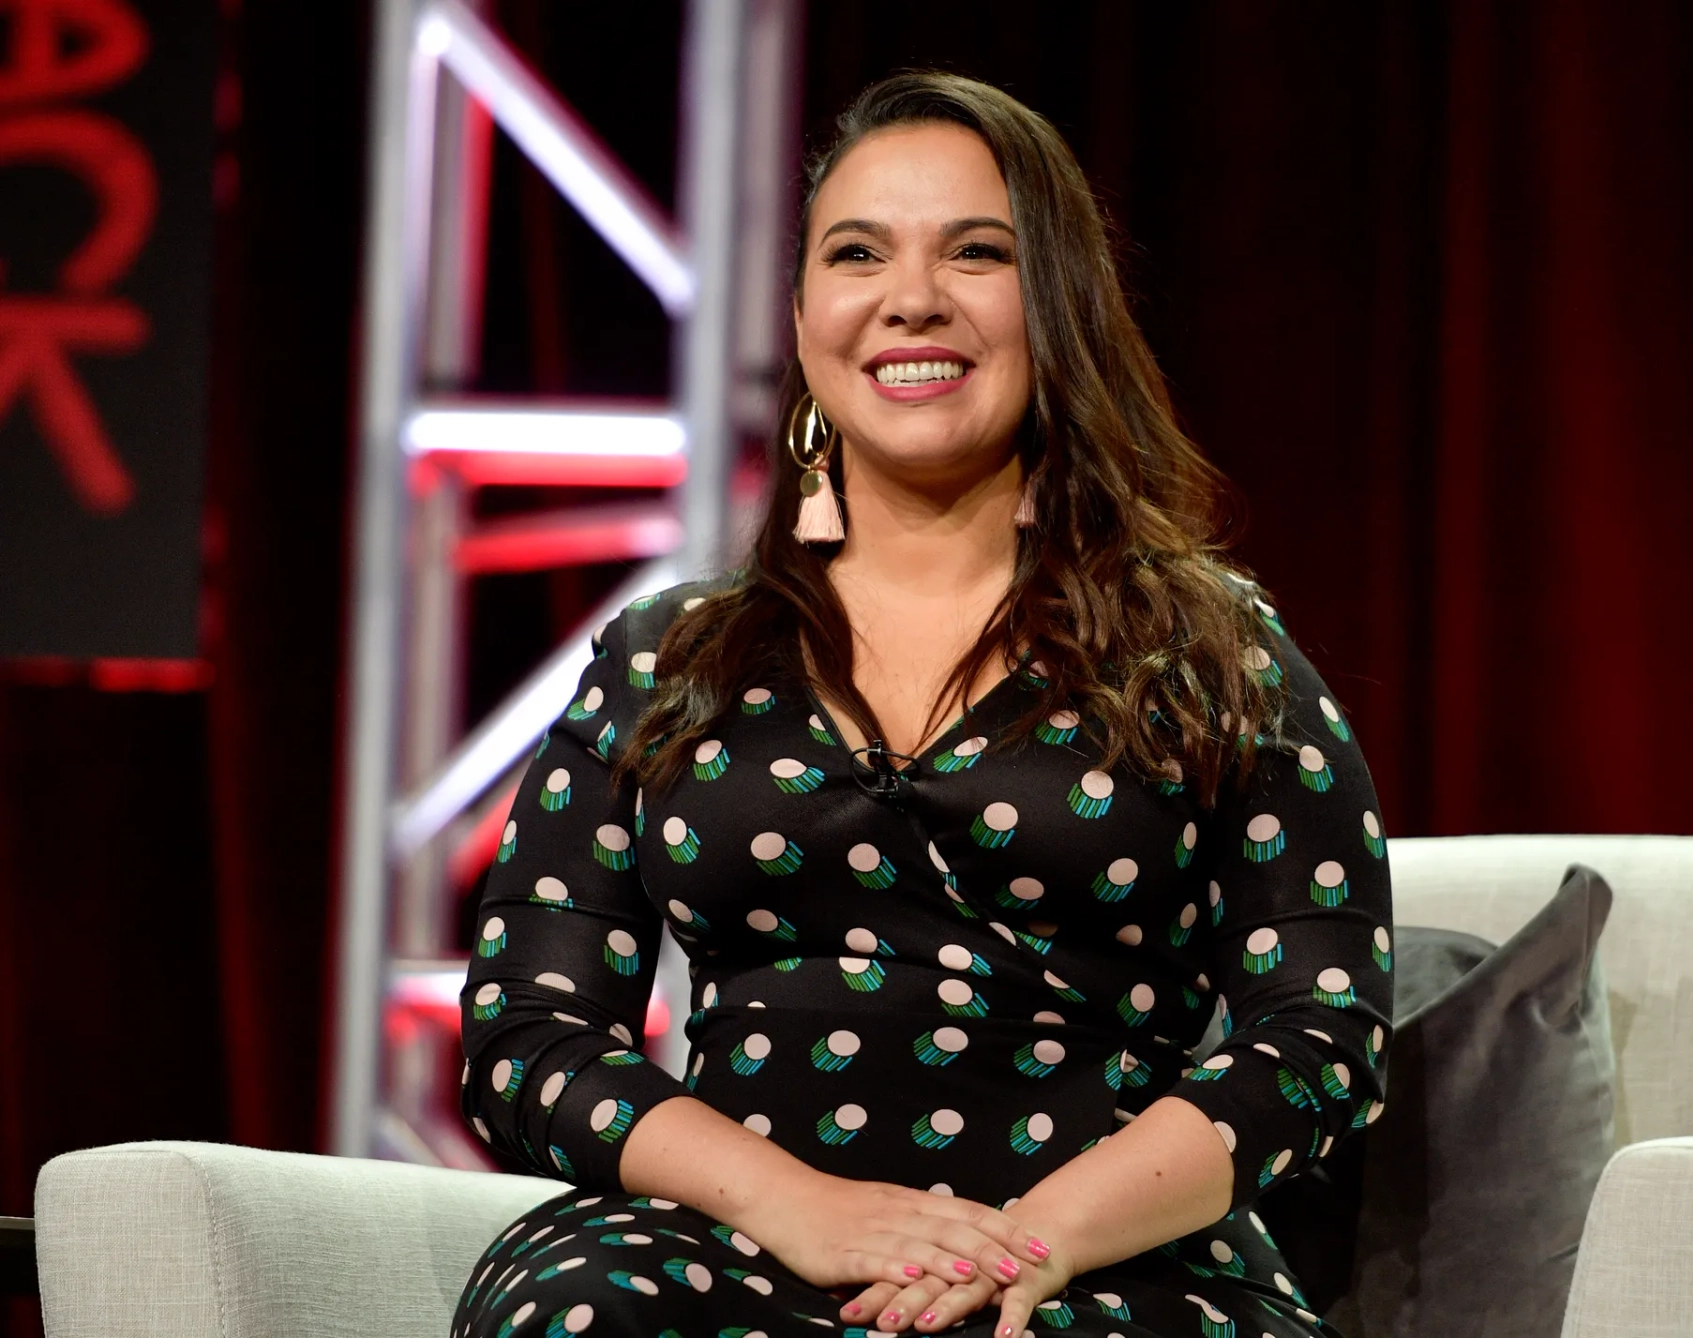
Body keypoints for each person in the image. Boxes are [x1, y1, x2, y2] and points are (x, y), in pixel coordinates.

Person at [451, 71, 1392, 1338]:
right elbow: (530, 1038)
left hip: (1098, 1268)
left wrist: (1031, 1245)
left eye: (978, 254)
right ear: (800, 319)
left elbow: (1320, 1037)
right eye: (858, 254)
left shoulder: (1216, 653)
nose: (911, 300)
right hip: (732, 1247)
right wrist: (806, 1210)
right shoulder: (669, 659)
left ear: (1058, 308)